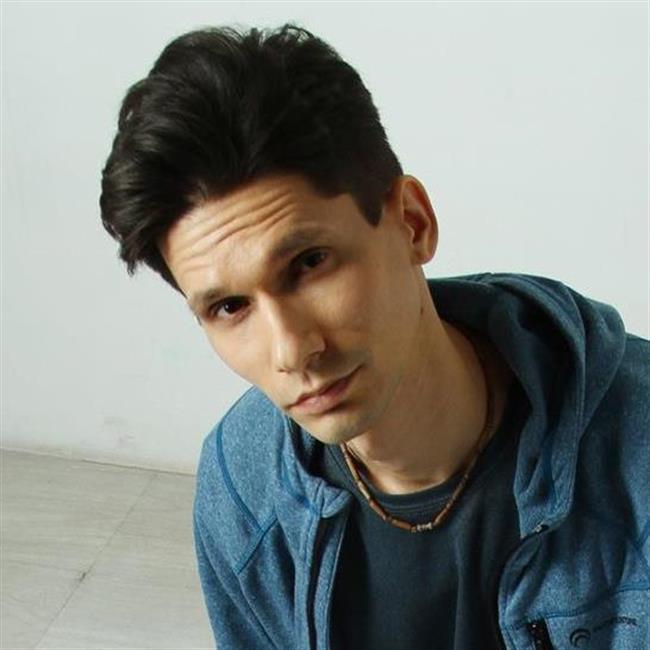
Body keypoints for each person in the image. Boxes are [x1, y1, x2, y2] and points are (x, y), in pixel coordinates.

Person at [99, 24, 649, 650]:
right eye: (230, 307)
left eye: (309, 263)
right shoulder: (241, 481)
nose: (291, 350)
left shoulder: (635, 461)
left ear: (412, 223)